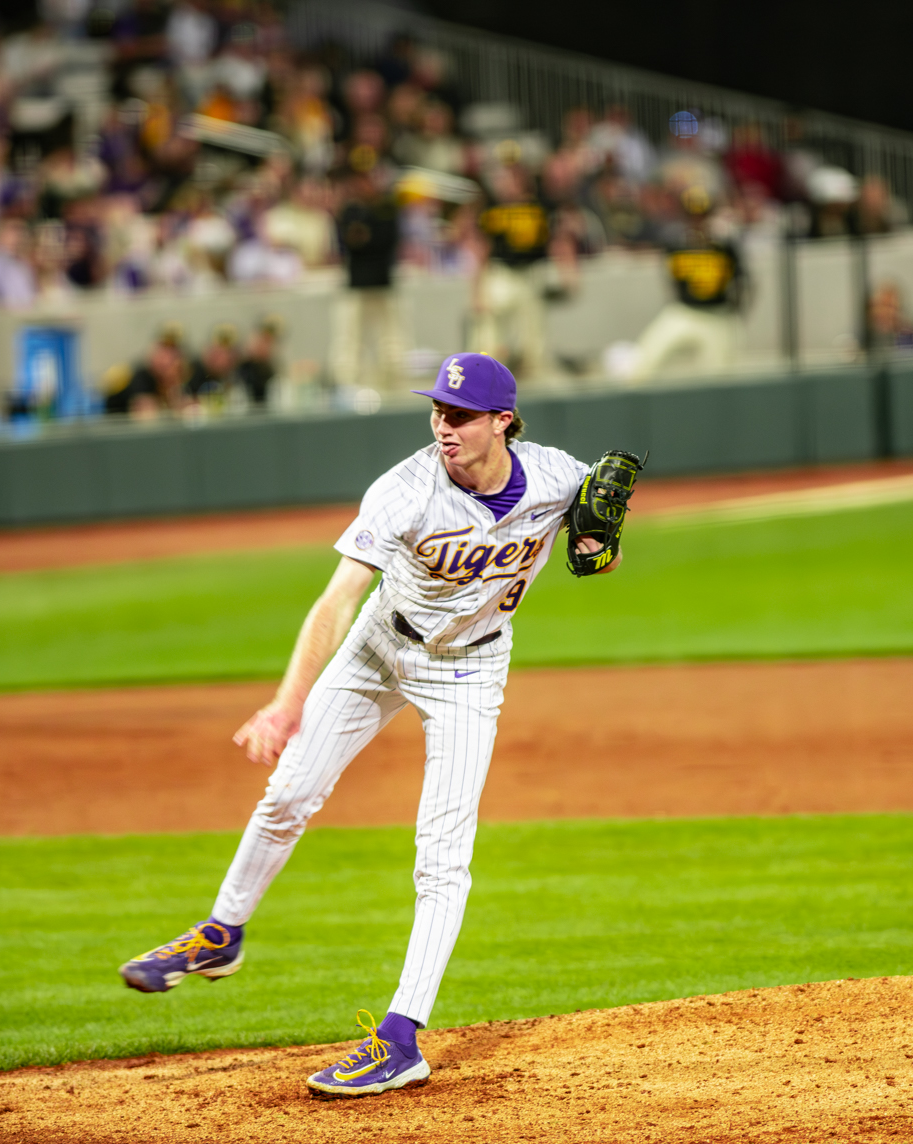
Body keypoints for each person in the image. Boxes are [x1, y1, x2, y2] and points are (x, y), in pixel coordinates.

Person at [117, 352, 633, 1097]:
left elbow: (600, 548)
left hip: (469, 669)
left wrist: (600, 544)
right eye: (437, 411)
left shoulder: (557, 475)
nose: (443, 426)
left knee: (442, 854)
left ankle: (401, 1038)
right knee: (289, 792)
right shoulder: (404, 489)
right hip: (377, 644)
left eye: (459, 416)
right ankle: (220, 934)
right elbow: (333, 600)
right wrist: (286, 704)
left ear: (503, 423)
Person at [628, 188, 746, 382]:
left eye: (702, 215)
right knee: (641, 365)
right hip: (683, 311)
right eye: (693, 215)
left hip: (717, 315)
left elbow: (743, 281)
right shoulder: (676, 244)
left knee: (719, 379)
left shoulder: (724, 246)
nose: (698, 221)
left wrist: (736, 314)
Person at [472, 161, 557, 378]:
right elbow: (482, 250)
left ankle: (534, 377)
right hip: (501, 273)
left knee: (533, 337)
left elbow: (556, 241)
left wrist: (566, 271)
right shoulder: (493, 211)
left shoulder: (538, 209)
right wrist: (477, 290)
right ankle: (484, 376)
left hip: (530, 274)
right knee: (489, 332)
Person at [333, 162, 406, 389]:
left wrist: (366, 237)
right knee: (350, 339)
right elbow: (348, 242)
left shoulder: (387, 208)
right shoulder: (349, 210)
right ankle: (348, 384)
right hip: (356, 283)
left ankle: (393, 383)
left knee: (390, 340)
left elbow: (385, 241)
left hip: (383, 281)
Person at [236, 315, 281, 408]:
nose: (264, 346)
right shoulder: (242, 366)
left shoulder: (270, 367)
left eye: (269, 342)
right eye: (262, 341)